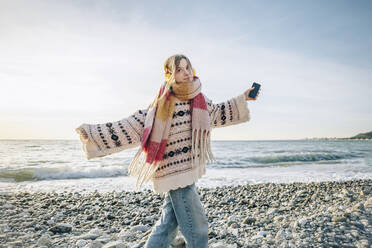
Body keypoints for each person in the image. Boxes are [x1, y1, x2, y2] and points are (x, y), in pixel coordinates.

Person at [75, 54, 261, 247]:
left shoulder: (199, 97)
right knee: (198, 228)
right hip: (172, 171)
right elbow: (135, 124)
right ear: (170, 74)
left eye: (187, 68)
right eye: (179, 70)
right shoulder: (162, 102)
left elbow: (217, 112)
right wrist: (95, 133)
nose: (186, 73)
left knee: (168, 224)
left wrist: (243, 98)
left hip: (187, 166)